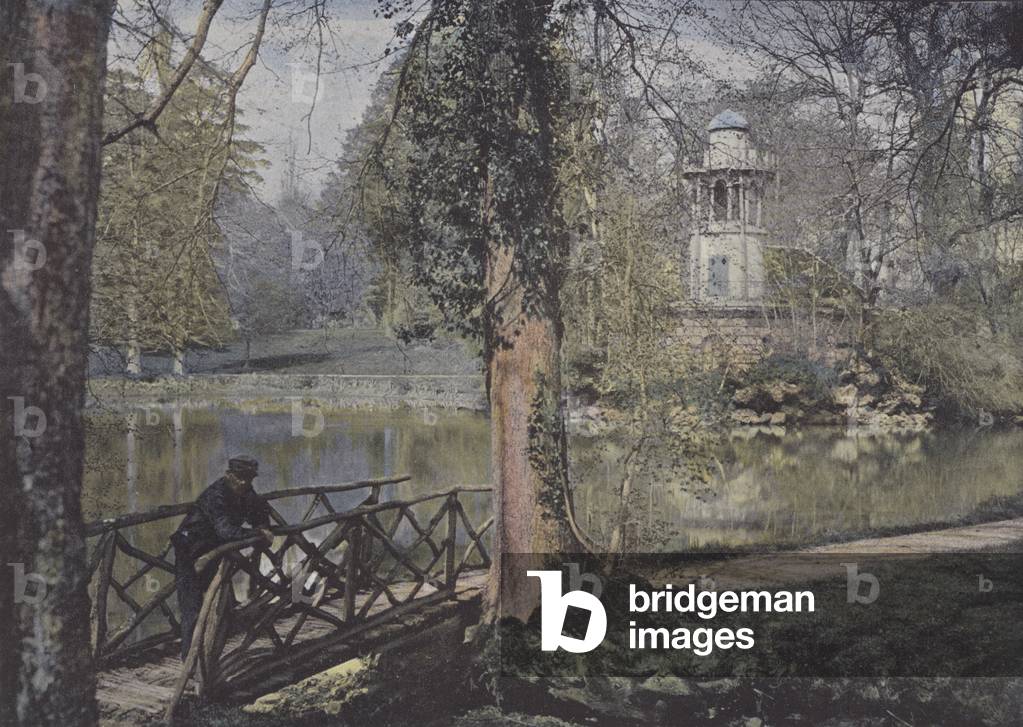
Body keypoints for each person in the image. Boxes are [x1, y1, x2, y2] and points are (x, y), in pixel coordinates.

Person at [171, 456, 273, 660]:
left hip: (212, 551)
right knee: (192, 607)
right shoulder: (215, 495)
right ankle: (190, 661)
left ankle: (216, 652)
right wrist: (258, 534)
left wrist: (263, 526)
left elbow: (260, 511)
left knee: (221, 601)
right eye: (240, 477)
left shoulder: (246, 491)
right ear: (229, 475)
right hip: (189, 550)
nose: (244, 482)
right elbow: (226, 531)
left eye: (248, 478)